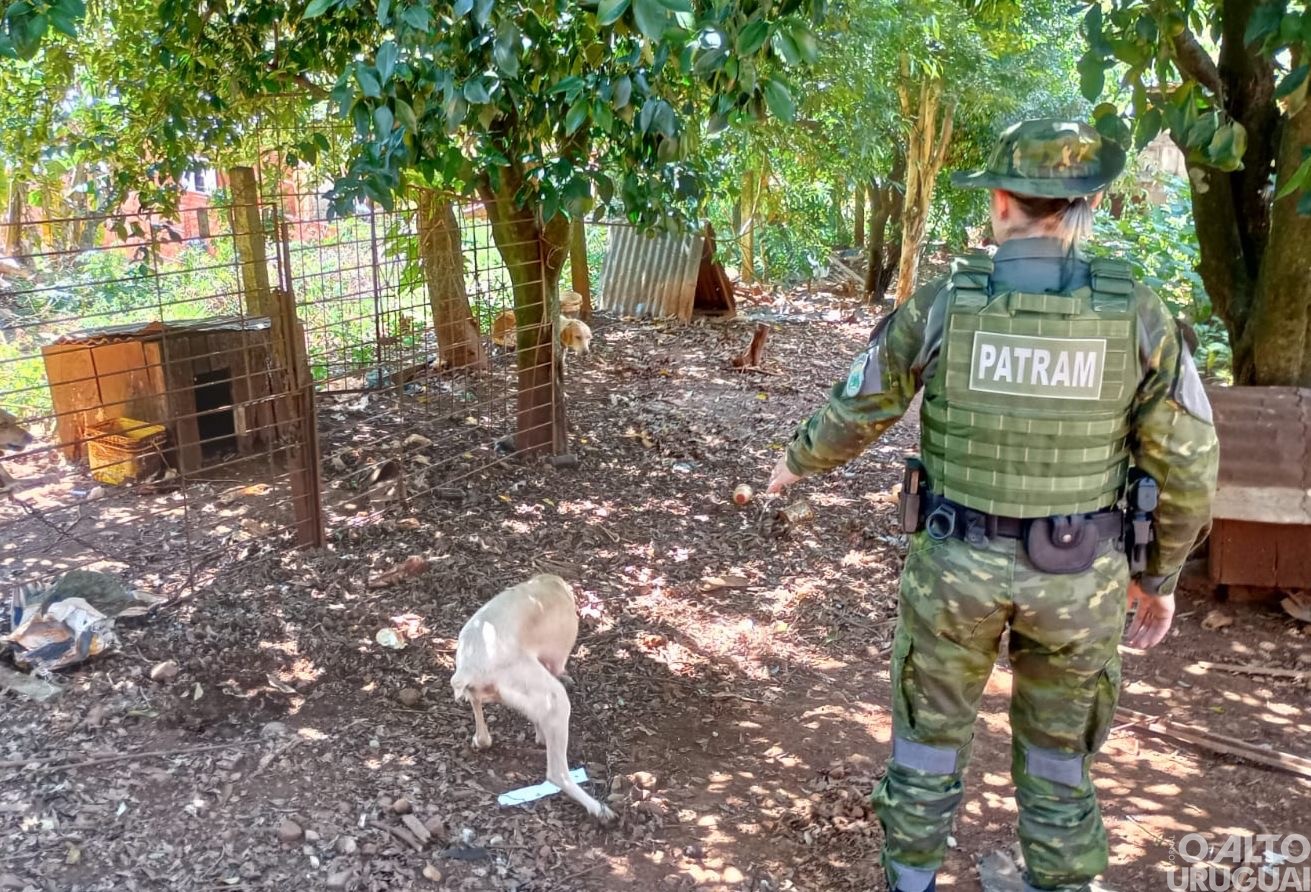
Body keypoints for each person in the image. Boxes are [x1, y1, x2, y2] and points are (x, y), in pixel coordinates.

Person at [767, 119, 1219, 892]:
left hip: (955, 570)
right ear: (1093, 202)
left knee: (926, 745)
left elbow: (860, 406)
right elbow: (1188, 463)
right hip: (1080, 579)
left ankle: (909, 880)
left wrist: (793, 463)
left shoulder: (946, 302)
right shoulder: (1139, 315)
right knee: (1058, 758)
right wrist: (1161, 578)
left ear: (1001, 201)